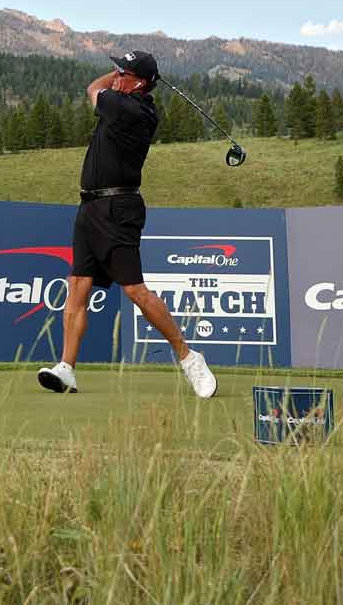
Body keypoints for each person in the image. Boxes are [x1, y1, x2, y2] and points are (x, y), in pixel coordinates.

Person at [37, 50, 217, 398]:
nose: (116, 75)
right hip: (90, 207)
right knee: (77, 285)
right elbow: (102, 86)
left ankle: (189, 357)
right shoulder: (126, 98)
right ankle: (67, 368)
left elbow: (93, 88)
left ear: (138, 84)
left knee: (135, 290)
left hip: (118, 208)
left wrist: (117, 76)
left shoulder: (129, 108)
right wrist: (124, 70)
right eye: (117, 68)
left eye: (123, 71)